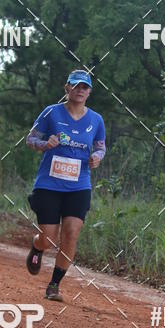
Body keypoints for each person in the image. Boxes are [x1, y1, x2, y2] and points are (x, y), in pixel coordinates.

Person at [26, 69, 106, 302]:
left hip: (79, 186)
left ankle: (54, 285)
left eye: (85, 87)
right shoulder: (51, 112)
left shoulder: (96, 120)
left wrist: (98, 157)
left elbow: (101, 146)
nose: (81, 90)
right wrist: (44, 144)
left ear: (89, 92)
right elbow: (30, 139)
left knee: (71, 234)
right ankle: (37, 246)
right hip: (49, 184)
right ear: (67, 88)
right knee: (49, 238)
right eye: (77, 86)